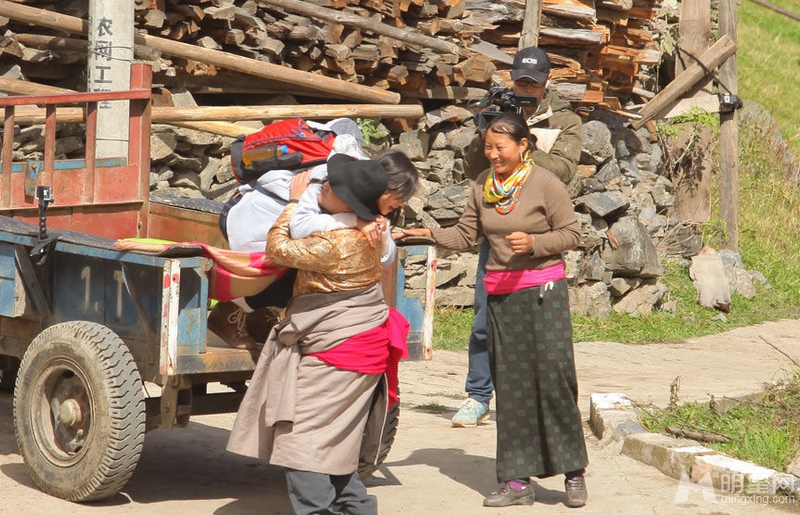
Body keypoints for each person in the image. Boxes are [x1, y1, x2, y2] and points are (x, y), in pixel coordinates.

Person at [398, 112, 588, 508]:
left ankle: (573, 471)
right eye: (487, 147)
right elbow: (467, 234)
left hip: (543, 293)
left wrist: (535, 243)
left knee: (554, 378)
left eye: (500, 147)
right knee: (512, 386)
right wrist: (425, 234)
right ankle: (517, 480)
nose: (492, 154)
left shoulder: (546, 184)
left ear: (523, 146)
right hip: (501, 296)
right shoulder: (483, 185)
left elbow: (572, 233)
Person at [227, 154, 413, 515]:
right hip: (360, 343)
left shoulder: (338, 240)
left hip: (340, 351)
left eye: (330, 187)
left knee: (302, 440)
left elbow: (277, 248)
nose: (321, 187)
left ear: (348, 203)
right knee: (333, 442)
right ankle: (359, 509)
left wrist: (295, 202)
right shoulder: (373, 229)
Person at [451, 46, 583, 428]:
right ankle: (477, 396)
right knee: (482, 319)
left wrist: (522, 141)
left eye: (533, 83)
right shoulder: (498, 109)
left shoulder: (565, 119)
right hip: (495, 231)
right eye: (520, 81)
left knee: (537, 329)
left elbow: (564, 170)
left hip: (538, 236)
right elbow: (473, 168)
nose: (526, 89)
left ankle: (531, 398)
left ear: (547, 82)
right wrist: (488, 132)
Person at [209, 146, 418, 348]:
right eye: (399, 195)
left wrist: (381, 235)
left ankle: (257, 315)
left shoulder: (375, 209)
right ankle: (230, 312)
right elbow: (298, 229)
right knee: (299, 272)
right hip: (253, 225)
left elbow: (386, 256)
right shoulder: (325, 183)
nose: (401, 204)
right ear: (382, 185)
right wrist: (352, 220)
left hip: (286, 235)